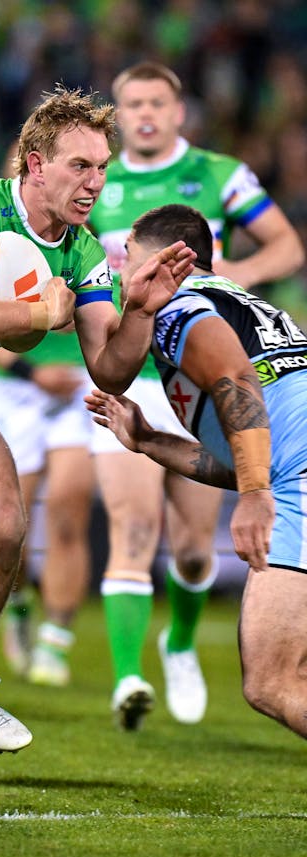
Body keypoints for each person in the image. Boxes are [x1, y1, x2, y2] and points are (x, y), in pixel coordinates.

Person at [0, 85, 195, 753]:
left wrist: (142, 313)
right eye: (79, 166)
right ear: (36, 165)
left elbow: (109, 368)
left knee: (3, 524)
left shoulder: (84, 252)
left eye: (101, 167)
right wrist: (37, 316)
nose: (95, 182)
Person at [88, 60, 304, 730]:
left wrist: (256, 495)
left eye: (128, 253)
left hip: (296, 486)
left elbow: (239, 385)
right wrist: (151, 440)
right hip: (292, 470)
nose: (119, 267)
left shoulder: (183, 310)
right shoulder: (237, 304)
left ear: (172, 261)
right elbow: (247, 432)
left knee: (272, 682)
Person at [0, 333, 95, 687]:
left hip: (78, 386)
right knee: (11, 527)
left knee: (68, 517)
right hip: (15, 390)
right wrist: (32, 372)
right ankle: (18, 604)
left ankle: (55, 642)